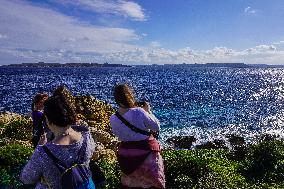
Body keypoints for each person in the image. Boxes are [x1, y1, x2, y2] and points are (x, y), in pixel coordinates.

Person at [20, 94, 96, 188]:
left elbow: (26, 178)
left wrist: (39, 147)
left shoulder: (43, 153)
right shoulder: (86, 136)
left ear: (48, 120)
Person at [110, 84, 165, 189]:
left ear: (117, 99)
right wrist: (148, 111)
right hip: (146, 154)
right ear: (130, 95)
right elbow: (156, 127)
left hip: (126, 157)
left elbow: (118, 134)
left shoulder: (113, 118)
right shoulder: (139, 112)